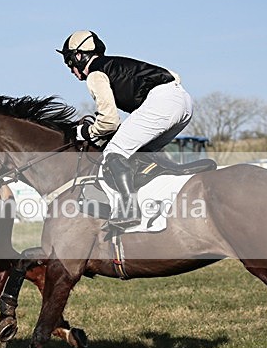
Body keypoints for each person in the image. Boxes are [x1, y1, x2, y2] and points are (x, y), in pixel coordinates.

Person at [57, 30, 192, 230]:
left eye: (69, 62)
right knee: (139, 154)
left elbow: (109, 121)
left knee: (114, 153)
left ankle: (129, 210)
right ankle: (173, 181)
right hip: (183, 103)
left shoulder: (94, 74)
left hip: (163, 102)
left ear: (78, 56)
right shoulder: (111, 64)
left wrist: (85, 133)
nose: (70, 69)